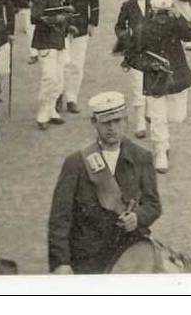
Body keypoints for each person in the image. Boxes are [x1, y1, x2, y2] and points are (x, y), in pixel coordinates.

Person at [47, 92, 162, 274]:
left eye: (117, 121)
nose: (112, 128)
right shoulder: (76, 163)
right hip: (87, 257)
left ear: (126, 121)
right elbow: (59, 219)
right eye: (106, 123)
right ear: (94, 123)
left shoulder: (141, 157)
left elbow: (153, 205)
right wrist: (61, 262)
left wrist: (137, 217)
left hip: (128, 253)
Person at [126, 0, 191, 173]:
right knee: (159, 119)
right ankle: (160, 151)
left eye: (166, 14)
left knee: (176, 116)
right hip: (154, 79)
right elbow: (132, 56)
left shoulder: (175, 24)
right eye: (159, 14)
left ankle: (156, 123)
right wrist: (149, 65)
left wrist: (179, 16)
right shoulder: (143, 29)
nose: (162, 18)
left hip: (176, 77)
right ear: (152, 12)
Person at [56, 0, 100, 114]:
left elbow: (94, 0)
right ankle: (58, 95)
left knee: (77, 64)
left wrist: (92, 23)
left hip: (81, 25)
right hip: (61, 26)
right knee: (62, 63)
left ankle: (72, 98)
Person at [31, 0, 69, 131]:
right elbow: (35, 17)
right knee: (49, 78)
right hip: (46, 41)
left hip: (57, 40)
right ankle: (42, 114)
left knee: (59, 78)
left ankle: (51, 109)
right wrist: (57, 19)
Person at [114, 0, 152, 138]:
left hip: (152, 52)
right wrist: (125, 40)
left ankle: (150, 113)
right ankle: (140, 124)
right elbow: (119, 26)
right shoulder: (127, 6)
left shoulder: (154, 4)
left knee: (151, 84)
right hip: (135, 52)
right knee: (138, 87)